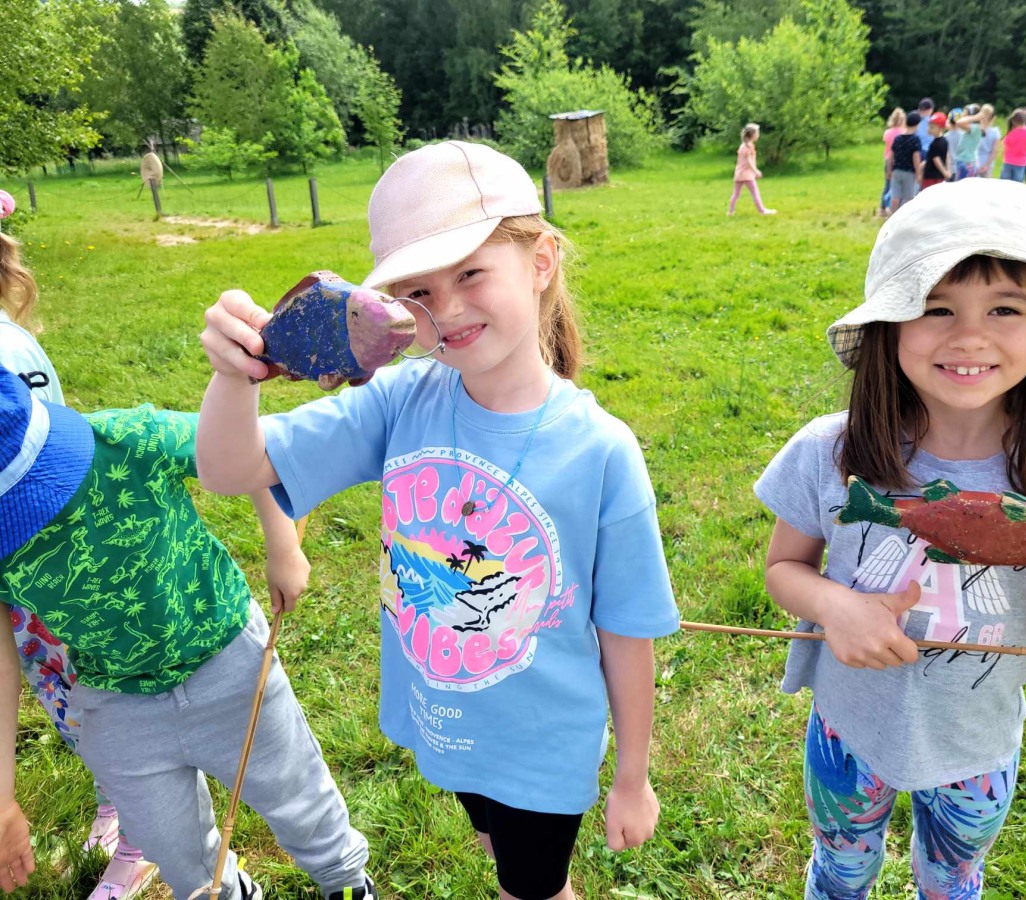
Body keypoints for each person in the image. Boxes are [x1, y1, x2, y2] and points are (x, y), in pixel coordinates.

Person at [195, 140, 680, 900]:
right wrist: (237, 375)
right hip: (448, 726)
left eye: (471, 274)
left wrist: (633, 777)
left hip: (538, 749)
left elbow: (628, 629)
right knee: (496, 841)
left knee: (533, 886)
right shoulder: (401, 401)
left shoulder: (601, 452)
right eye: (418, 291)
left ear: (541, 262)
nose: (446, 309)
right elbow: (231, 469)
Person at [754, 178, 1026, 899]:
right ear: (889, 327)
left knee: (951, 880)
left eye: (1005, 308)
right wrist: (834, 606)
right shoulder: (830, 451)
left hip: (975, 749)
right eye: (935, 307)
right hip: (848, 730)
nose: (970, 336)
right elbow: (784, 567)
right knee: (840, 872)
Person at [0, 368, 375, 900]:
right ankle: (220, 891)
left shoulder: (128, 438)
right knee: (168, 841)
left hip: (226, 660)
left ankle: (345, 881)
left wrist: (283, 546)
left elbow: (246, 449)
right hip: (115, 696)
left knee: (295, 792)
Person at [0, 230, 156, 899]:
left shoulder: (9, 349)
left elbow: (56, 443)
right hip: (14, 569)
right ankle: (115, 799)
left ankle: (144, 837)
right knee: (63, 699)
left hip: (53, 561)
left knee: (98, 697)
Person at [728, 122, 776, 215]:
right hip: (747, 174)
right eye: (757, 133)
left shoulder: (743, 145)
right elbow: (749, 161)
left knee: (736, 194)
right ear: (753, 135)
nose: (758, 135)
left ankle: (730, 211)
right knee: (755, 193)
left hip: (739, 173)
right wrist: (755, 171)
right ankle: (762, 211)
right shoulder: (749, 146)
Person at [888, 112, 922, 213]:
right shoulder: (915, 139)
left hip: (896, 170)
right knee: (908, 197)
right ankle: (905, 216)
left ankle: (892, 215)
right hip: (909, 172)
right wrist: (918, 173)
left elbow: (891, 156)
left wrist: (889, 169)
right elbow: (916, 158)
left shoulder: (898, 138)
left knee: (895, 196)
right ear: (917, 124)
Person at [879, 107, 907, 216]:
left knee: (887, 184)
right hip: (899, 160)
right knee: (899, 185)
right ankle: (896, 206)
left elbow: (886, 142)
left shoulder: (887, 132)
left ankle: (882, 207)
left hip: (887, 159)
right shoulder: (904, 132)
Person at [1000, 107, 1026, 183]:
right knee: (1017, 184)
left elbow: (1004, 149)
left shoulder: (1010, 134)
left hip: (1008, 161)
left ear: (1013, 121)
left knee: (1004, 183)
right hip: (1021, 163)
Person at [920, 112, 951, 190]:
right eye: (929, 126)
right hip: (939, 176)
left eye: (932, 127)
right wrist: (947, 170)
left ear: (940, 128)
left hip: (931, 176)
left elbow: (936, 159)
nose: (929, 129)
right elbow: (947, 156)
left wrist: (944, 172)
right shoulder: (944, 141)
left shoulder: (935, 144)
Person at [952, 104, 983, 180]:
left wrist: (974, 117)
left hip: (967, 162)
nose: (962, 115)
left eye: (964, 113)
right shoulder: (970, 127)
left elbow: (958, 122)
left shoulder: (975, 127)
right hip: (963, 161)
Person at [974, 104, 1002, 177]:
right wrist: (986, 165)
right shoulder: (995, 132)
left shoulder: (975, 129)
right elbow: (995, 151)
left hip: (975, 161)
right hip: (988, 163)